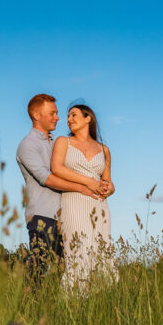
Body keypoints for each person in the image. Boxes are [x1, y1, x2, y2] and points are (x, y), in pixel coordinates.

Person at [16, 94, 107, 281]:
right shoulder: (28, 145)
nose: (58, 117)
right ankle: (28, 309)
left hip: (65, 217)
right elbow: (47, 178)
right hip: (42, 215)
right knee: (37, 272)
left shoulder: (56, 142)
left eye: (57, 113)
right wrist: (82, 187)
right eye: (52, 113)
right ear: (36, 115)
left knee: (67, 271)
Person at [49, 103, 117, 291]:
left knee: (102, 253)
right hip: (73, 202)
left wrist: (109, 189)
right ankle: (72, 303)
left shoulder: (104, 150)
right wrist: (88, 182)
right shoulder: (63, 142)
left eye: (73, 115)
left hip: (99, 206)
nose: (69, 119)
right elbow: (56, 168)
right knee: (78, 253)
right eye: (68, 116)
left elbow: (108, 182)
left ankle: (101, 301)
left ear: (88, 118)